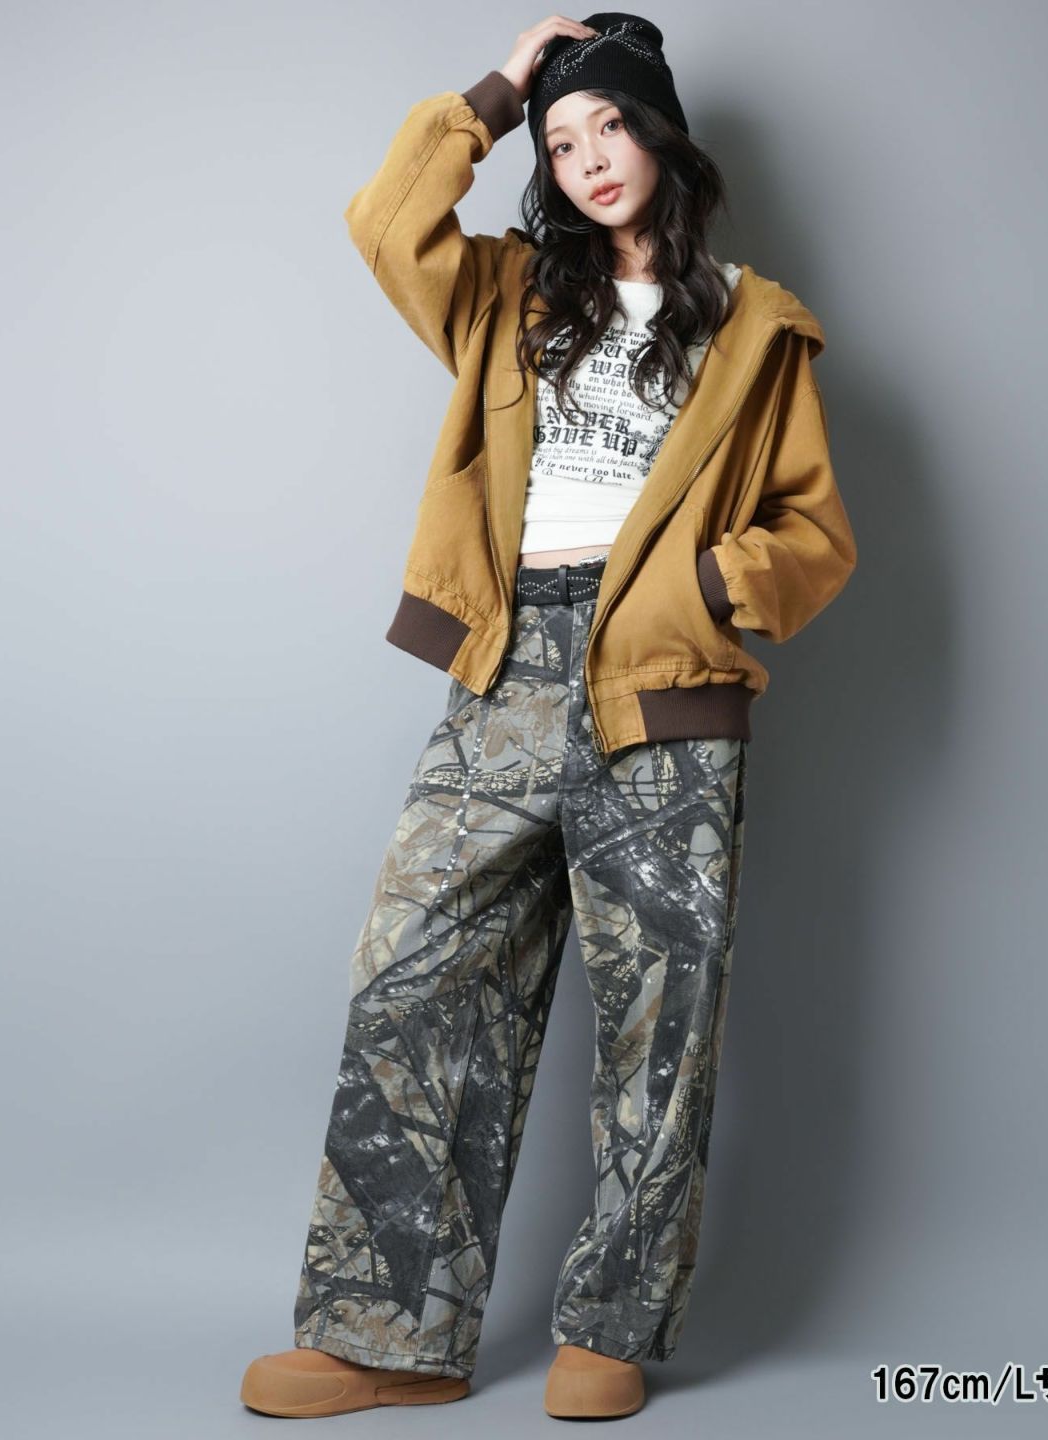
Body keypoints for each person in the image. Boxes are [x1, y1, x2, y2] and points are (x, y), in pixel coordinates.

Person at [240, 10, 857, 1422]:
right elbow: (386, 220)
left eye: (612, 124)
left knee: (660, 1016)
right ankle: (391, 1335)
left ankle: (612, 1327)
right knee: (414, 978)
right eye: (564, 139)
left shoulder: (757, 327)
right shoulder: (507, 294)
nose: (589, 158)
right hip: (506, 669)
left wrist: (710, 586)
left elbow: (815, 533)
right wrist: (502, 88)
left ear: (664, 136)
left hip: (664, 689)